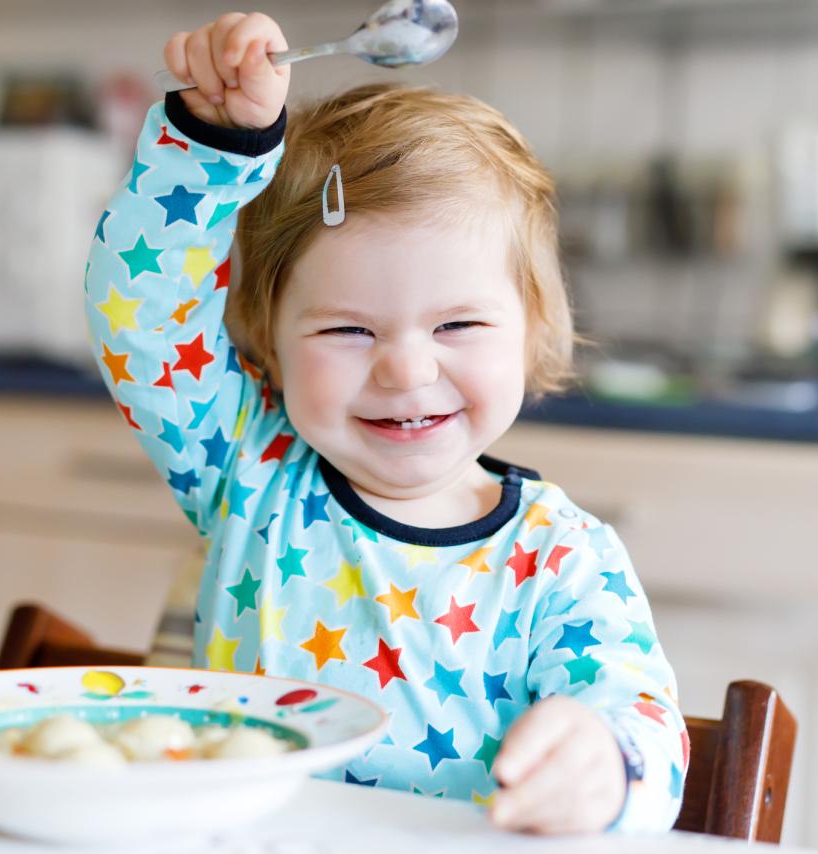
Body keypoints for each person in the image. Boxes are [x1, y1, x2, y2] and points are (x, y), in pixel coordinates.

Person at [85, 11, 687, 834]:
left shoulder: (563, 561)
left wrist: (607, 768)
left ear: (534, 330)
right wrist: (208, 149)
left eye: (457, 327)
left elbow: (641, 724)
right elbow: (143, 315)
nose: (407, 370)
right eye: (347, 330)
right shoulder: (249, 471)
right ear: (268, 338)